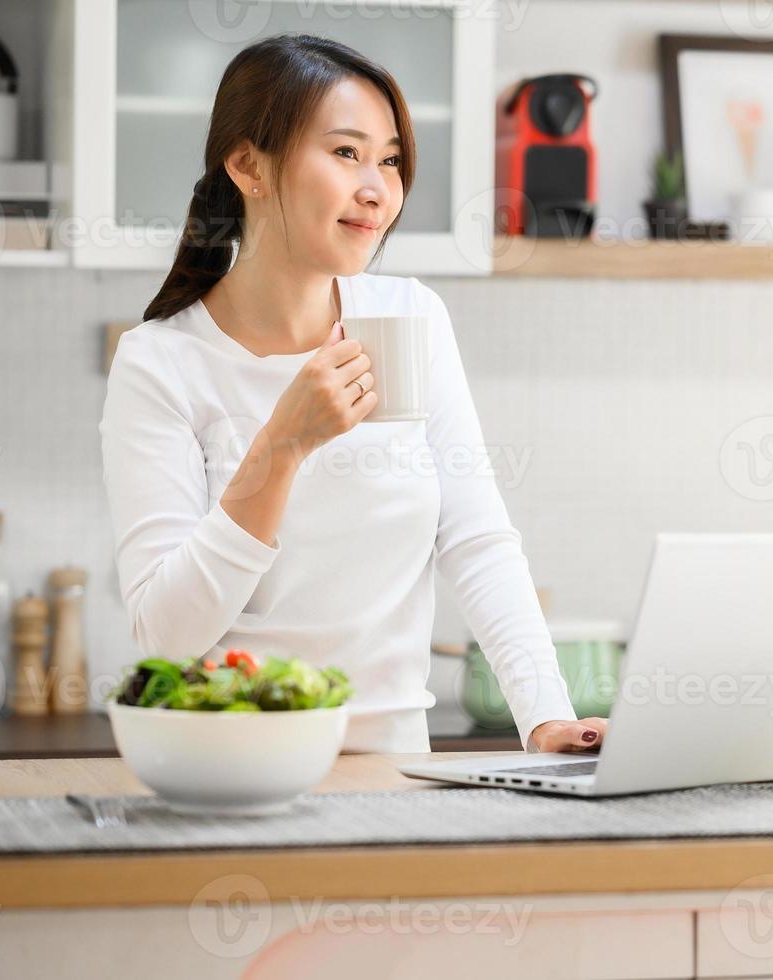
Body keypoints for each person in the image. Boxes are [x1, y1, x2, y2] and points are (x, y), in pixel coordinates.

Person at [99, 34, 606, 754]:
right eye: (345, 153)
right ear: (248, 165)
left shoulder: (409, 318)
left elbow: (476, 540)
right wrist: (282, 446)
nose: (378, 188)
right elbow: (165, 631)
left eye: (390, 160)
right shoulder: (161, 363)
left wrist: (546, 716)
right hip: (229, 770)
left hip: (398, 771)